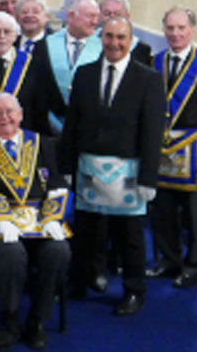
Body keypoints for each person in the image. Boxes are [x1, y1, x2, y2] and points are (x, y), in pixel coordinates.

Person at [60, 16, 166, 316]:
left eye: (121, 37)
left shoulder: (147, 79)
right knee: (86, 232)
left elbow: (152, 132)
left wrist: (149, 177)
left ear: (130, 41)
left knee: (129, 237)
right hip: (88, 167)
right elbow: (72, 125)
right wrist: (66, 165)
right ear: (100, 38)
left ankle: (134, 291)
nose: (114, 43)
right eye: (108, 36)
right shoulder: (84, 74)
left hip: (129, 173)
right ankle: (79, 281)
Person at [0, 93, 71, 351]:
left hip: (39, 222)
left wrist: (52, 218)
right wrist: (2, 220)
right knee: (11, 255)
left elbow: (55, 183)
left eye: (10, 112)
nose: (5, 118)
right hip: (0, 222)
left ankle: (37, 320)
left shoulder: (42, 143)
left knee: (59, 251)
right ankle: (10, 320)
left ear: (21, 114)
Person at [146, 6, 197, 289]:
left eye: (181, 28)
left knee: (195, 216)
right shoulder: (154, 62)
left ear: (192, 31)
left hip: (194, 152)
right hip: (161, 150)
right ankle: (169, 261)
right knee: (163, 211)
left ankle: (194, 266)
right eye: (170, 28)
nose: (175, 34)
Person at [0, 11, 58, 136]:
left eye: (7, 31)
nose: (2, 36)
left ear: (15, 36)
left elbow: (39, 107)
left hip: (23, 137)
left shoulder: (33, 64)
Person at [32, 0, 102, 134]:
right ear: (70, 16)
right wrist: (54, 124)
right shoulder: (44, 46)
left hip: (88, 130)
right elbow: (37, 91)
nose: (95, 22)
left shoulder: (102, 49)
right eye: (90, 16)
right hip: (49, 128)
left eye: (97, 17)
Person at [98, 0, 154, 65]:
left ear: (127, 17)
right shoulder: (87, 40)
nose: (112, 18)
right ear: (99, 15)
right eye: (107, 13)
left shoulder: (140, 49)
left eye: (117, 14)